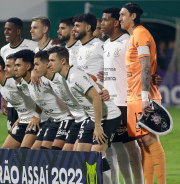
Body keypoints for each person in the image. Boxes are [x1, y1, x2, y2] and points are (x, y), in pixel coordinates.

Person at [48, 46, 122, 183]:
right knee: (81, 154)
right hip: (94, 118)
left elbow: (96, 98)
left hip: (108, 117)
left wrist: (98, 126)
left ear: (63, 60)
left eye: (52, 60)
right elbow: (92, 81)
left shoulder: (75, 76)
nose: (49, 64)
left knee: (96, 155)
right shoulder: (69, 75)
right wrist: (102, 88)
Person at [119, 3, 165, 183]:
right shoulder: (132, 36)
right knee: (142, 143)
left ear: (133, 16)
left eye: (123, 15)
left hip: (142, 96)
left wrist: (145, 97)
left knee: (150, 140)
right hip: (134, 96)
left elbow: (146, 65)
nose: (120, 18)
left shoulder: (140, 34)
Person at [100, 7, 144, 184]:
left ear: (116, 22)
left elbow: (139, 68)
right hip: (110, 103)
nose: (102, 24)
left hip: (125, 102)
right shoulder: (106, 44)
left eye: (105, 20)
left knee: (131, 145)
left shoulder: (127, 41)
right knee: (116, 146)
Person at [13, 49, 74, 150]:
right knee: (35, 153)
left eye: (17, 65)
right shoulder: (24, 84)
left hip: (66, 118)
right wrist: (34, 115)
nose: (15, 69)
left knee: (54, 152)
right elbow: (38, 102)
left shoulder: (47, 79)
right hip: (52, 120)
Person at [34, 50, 89, 151]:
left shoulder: (62, 77)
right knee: (61, 153)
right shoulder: (50, 80)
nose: (34, 68)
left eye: (37, 64)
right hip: (76, 119)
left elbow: (89, 79)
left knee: (77, 154)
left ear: (47, 65)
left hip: (86, 117)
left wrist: (103, 90)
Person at [0, 54, 41, 149]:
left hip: (34, 121)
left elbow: (38, 97)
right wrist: (20, 117)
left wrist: (37, 116)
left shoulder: (16, 81)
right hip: (22, 121)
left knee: (25, 152)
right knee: (4, 153)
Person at [0, 17, 37, 131]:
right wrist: (3, 98)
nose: (6, 32)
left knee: (29, 135)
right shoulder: (4, 50)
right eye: (5, 29)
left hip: (28, 100)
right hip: (13, 101)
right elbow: (4, 75)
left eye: (9, 29)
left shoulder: (32, 45)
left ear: (18, 31)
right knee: (13, 133)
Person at [72, 13, 104, 80]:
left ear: (88, 28)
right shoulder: (78, 46)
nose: (73, 29)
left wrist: (108, 75)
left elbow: (117, 63)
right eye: (74, 26)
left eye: (77, 26)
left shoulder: (98, 45)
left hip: (98, 89)